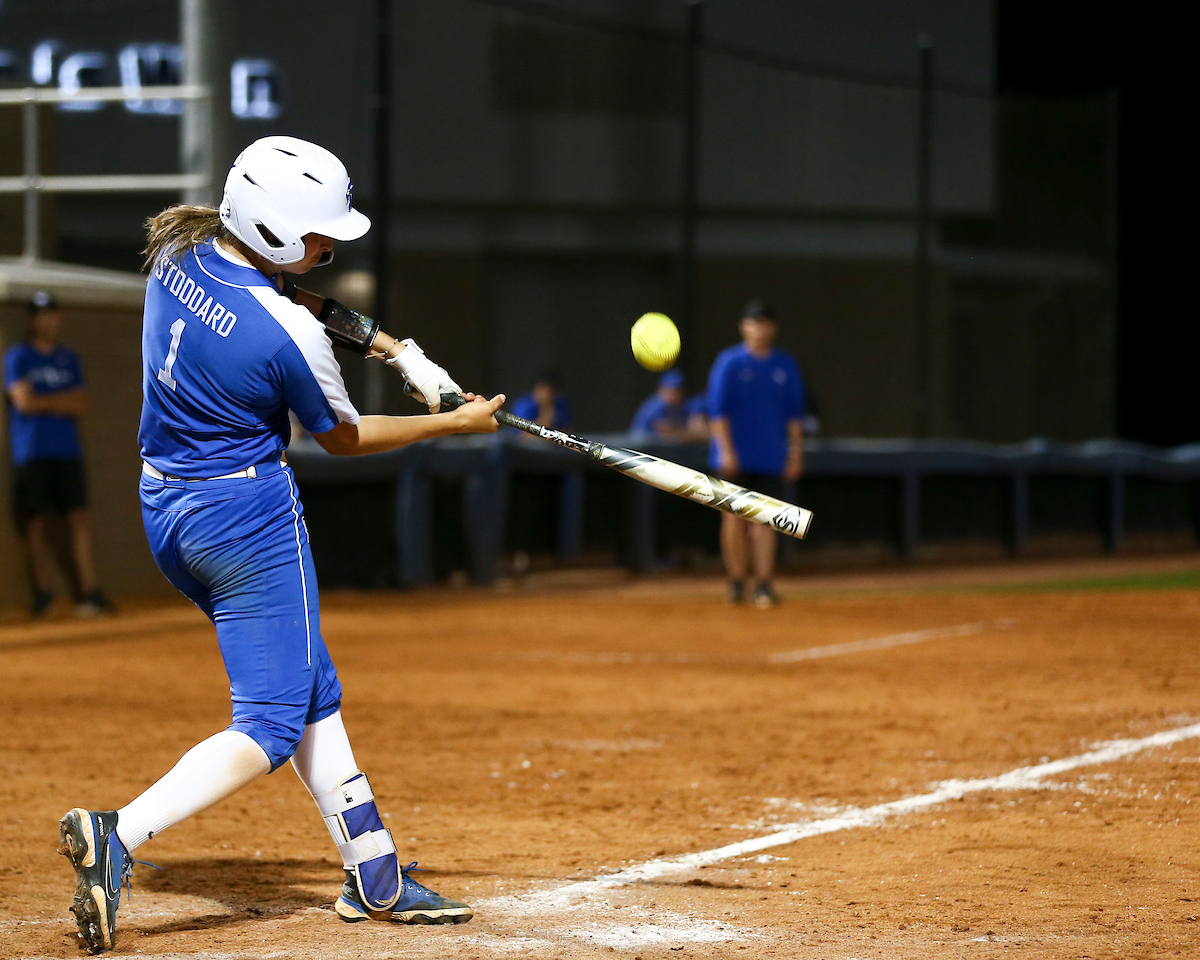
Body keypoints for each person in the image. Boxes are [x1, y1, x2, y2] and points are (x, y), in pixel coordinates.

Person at [56, 137, 504, 954]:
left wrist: (398, 352)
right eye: (317, 234)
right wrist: (453, 421)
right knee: (268, 721)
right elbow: (342, 436)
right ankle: (117, 833)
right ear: (267, 227)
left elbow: (289, 294)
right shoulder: (284, 340)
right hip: (248, 523)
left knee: (306, 684)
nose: (329, 248)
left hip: (168, 512)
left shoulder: (180, 253)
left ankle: (374, 874)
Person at [3, 291, 111, 616]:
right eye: (40, 314)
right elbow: (22, 402)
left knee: (79, 519)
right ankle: (43, 595)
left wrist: (43, 401)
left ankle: (88, 593)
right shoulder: (18, 357)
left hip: (67, 452)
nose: (48, 320)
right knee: (35, 523)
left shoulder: (68, 357)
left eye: (52, 313)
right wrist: (60, 401)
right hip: (31, 453)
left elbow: (82, 403)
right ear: (32, 320)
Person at [706, 300, 805, 608]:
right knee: (733, 520)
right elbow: (718, 413)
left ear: (772, 328)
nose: (759, 328)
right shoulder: (730, 362)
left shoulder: (784, 365)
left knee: (765, 521)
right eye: (754, 322)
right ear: (743, 326)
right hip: (735, 456)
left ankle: (763, 584)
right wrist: (725, 451)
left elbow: (795, 416)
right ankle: (737, 582)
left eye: (764, 322)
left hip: (771, 456)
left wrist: (795, 454)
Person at [630, 369, 688, 437]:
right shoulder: (656, 405)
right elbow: (665, 430)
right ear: (660, 390)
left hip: (656, 443)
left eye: (677, 391)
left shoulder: (681, 406)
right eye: (668, 391)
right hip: (639, 442)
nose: (672, 395)